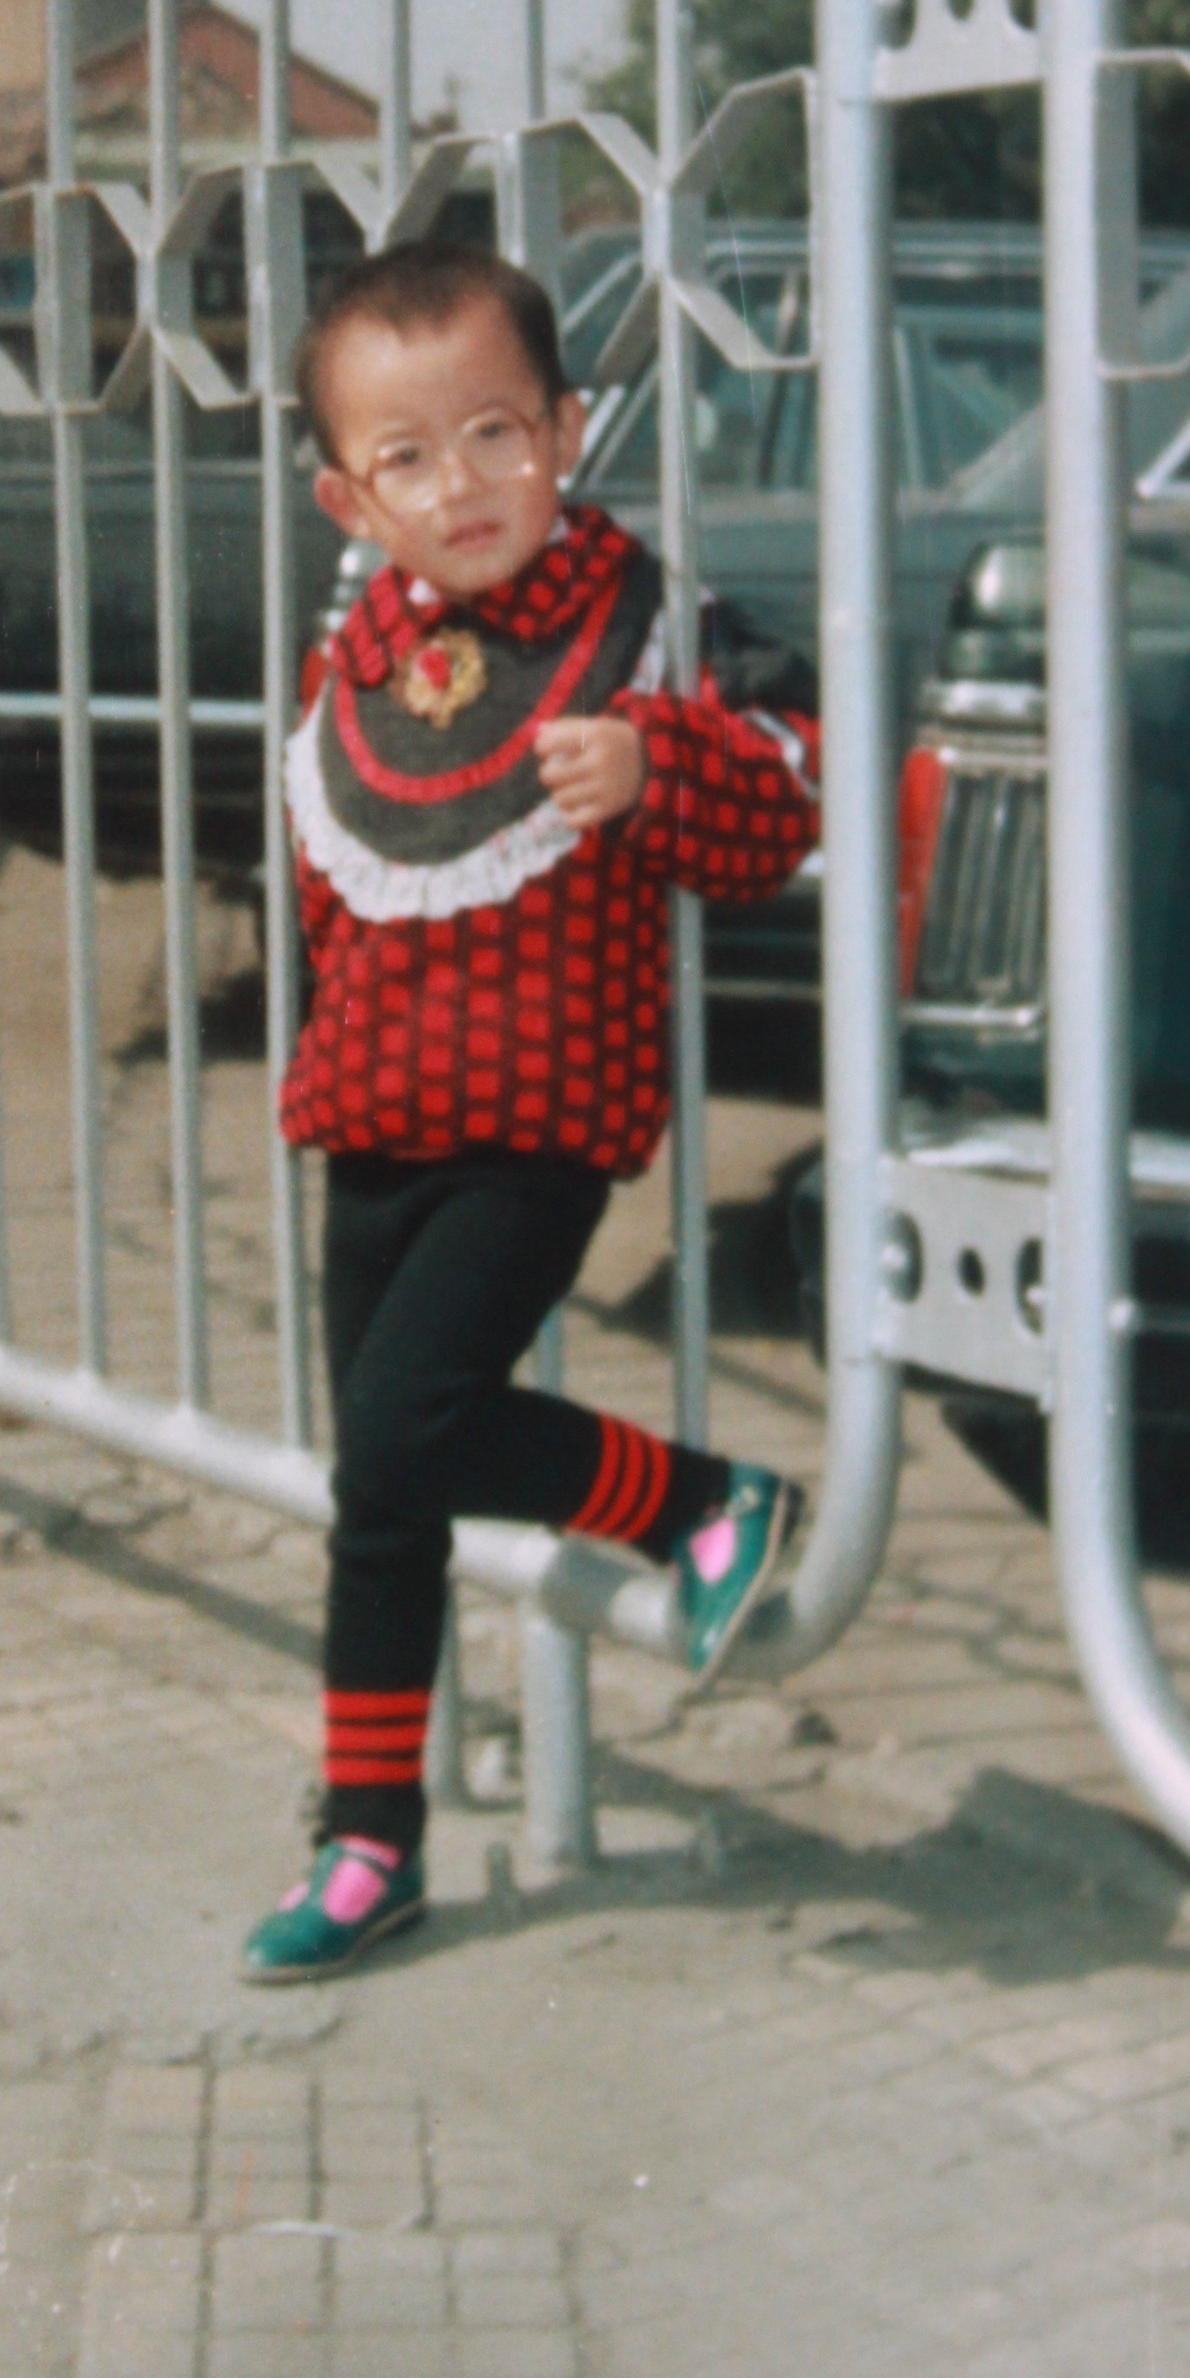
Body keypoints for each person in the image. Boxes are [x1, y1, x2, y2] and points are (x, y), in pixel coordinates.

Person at [241, 236, 822, 1984]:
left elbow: (785, 801)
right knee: (382, 1486)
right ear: (350, 498)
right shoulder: (360, 652)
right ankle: (369, 1841)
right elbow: (335, 884)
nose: (461, 487)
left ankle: (701, 1501)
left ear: (568, 428)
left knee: (404, 1425)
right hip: (374, 1118)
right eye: (408, 459)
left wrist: (661, 767)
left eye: (496, 433)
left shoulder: (645, 619)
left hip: (535, 1124)